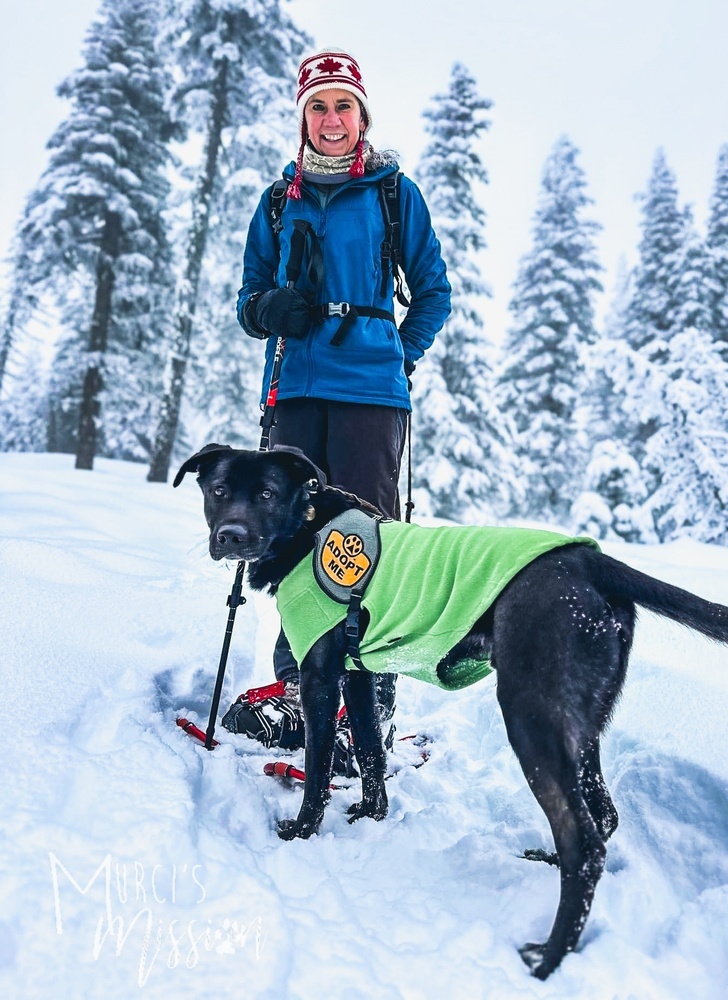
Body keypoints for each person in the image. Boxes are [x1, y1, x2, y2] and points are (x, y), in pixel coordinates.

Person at [235, 46, 451, 749]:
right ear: (304, 119)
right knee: (292, 544)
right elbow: (247, 301)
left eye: (343, 106)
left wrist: (400, 354)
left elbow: (434, 293)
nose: (332, 119)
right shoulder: (277, 201)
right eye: (319, 107)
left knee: (363, 548)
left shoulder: (394, 193)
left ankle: (366, 711)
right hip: (294, 391)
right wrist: (271, 311)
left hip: (370, 398)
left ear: (362, 115)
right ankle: (300, 695)